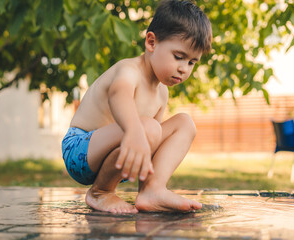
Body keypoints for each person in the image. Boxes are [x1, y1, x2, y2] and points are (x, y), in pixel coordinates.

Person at [62, 0, 212, 214]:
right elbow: (118, 95)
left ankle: (152, 190)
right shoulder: (129, 70)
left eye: (192, 63)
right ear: (151, 42)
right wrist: (134, 131)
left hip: (120, 159)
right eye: (179, 57)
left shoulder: (162, 92)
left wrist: (142, 141)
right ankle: (100, 192)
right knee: (148, 128)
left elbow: (153, 143)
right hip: (81, 150)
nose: (184, 69)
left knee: (184, 123)